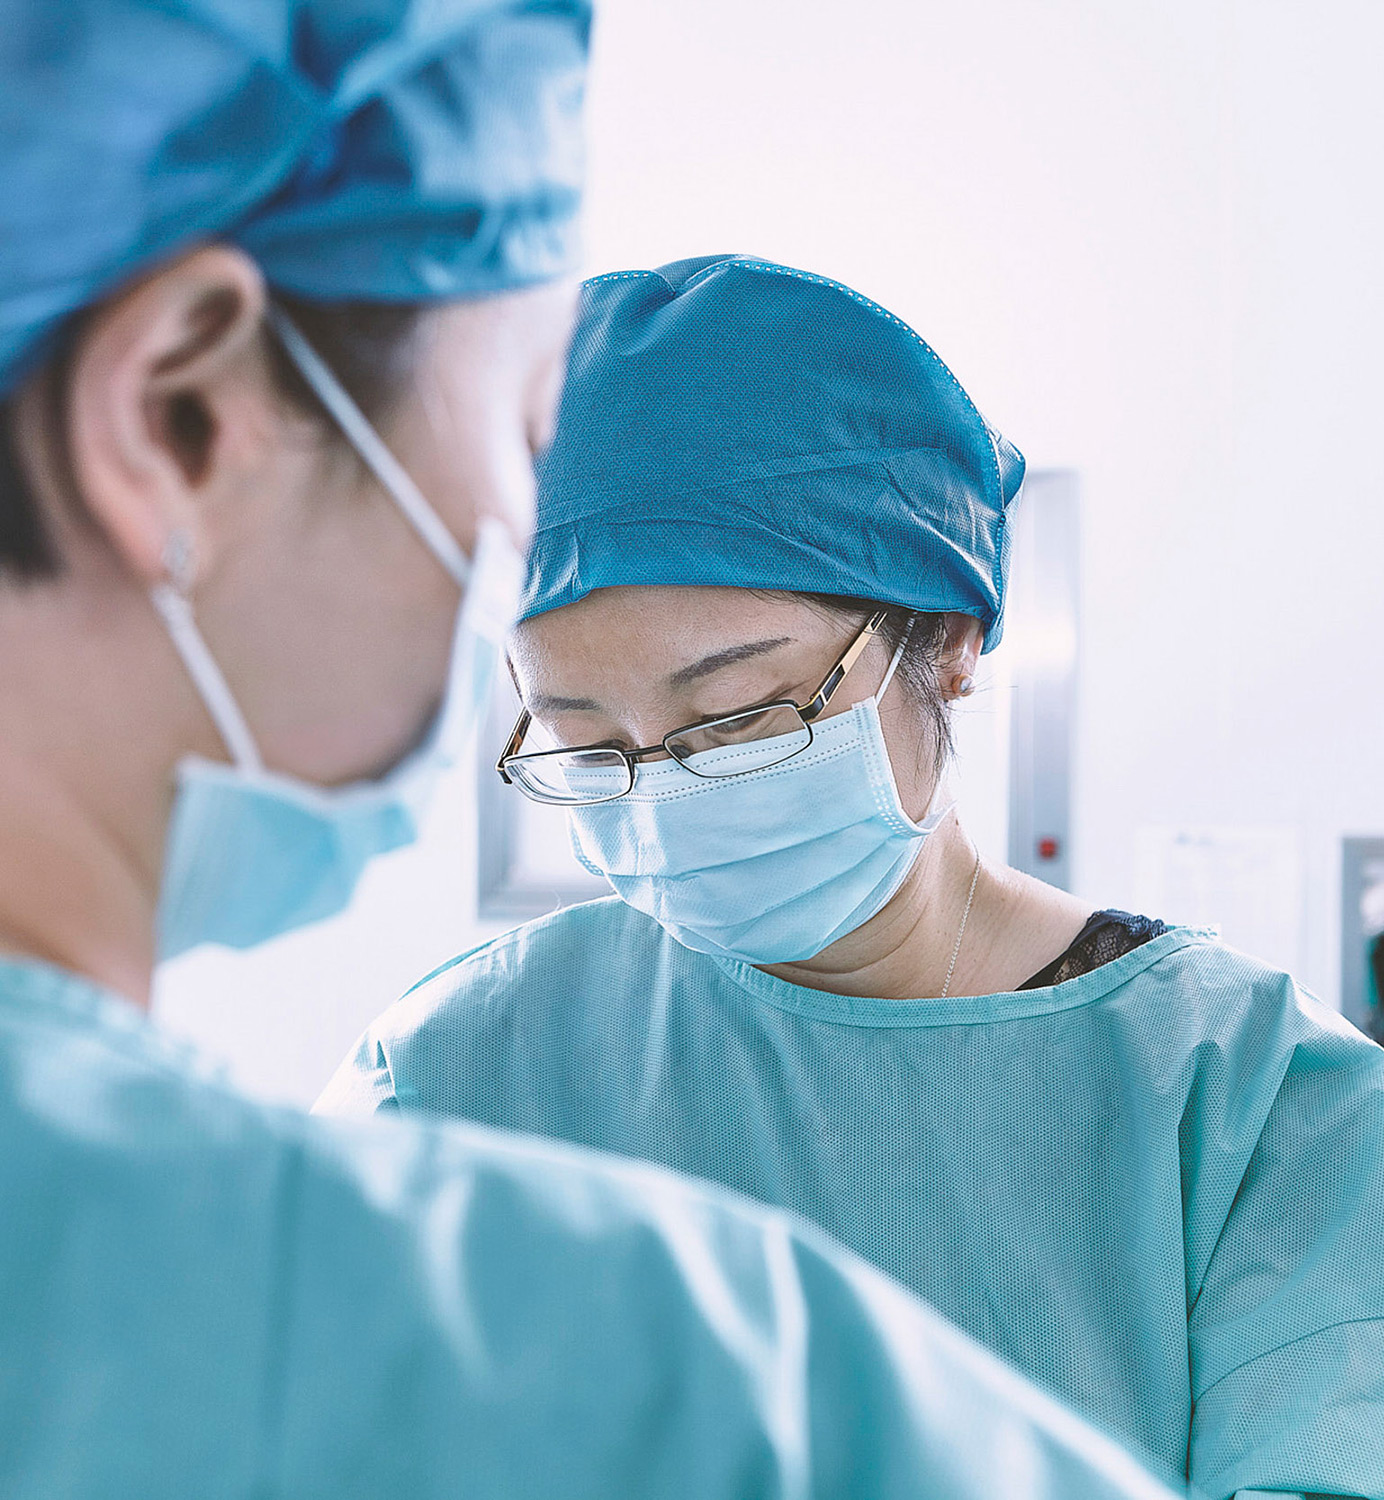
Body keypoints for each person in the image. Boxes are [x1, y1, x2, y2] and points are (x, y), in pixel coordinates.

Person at [0, 7, 1191, 1498]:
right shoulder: (700, 1385)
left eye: (738, 712)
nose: (511, 553)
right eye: (511, 429)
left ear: (946, 641)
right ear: (176, 415)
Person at [319, 255, 1384, 1500]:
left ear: (946, 639)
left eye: (736, 719)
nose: (663, 793)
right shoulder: (458, 1072)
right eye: (584, 741)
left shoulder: (1248, 1101)